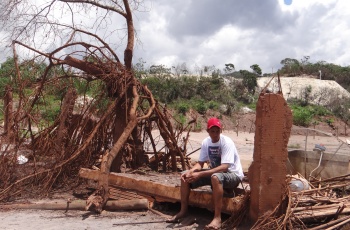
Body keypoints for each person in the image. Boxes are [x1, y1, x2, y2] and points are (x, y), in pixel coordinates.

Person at [166, 117, 244, 230]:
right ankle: (183, 211)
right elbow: (200, 163)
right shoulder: (206, 142)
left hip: (233, 176)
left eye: (218, 131)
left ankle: (217, 218)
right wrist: (191, 171)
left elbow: (225, 167)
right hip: (215, 174)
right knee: (184, 175)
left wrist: (200, 174)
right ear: (208, 131)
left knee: (216, 177)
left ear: (220, 131)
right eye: (213, 131)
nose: (215, 133)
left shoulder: (227, 142)